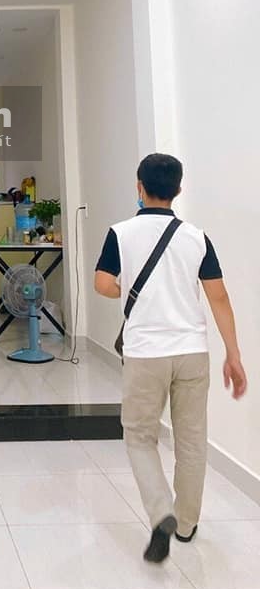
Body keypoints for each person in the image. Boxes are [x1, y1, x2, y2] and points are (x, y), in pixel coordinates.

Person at [94, 153, 247, 564]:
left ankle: (161, 511)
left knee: (140, 436)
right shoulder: (196, 237)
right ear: (178, 189)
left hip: (146, 353)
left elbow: (102, 284)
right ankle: (186, 524)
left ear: (139, 187)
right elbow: (219, 297)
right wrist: (233, 354)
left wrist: (127, 290)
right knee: (192, 440)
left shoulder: (120, 233)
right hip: (192, 351)